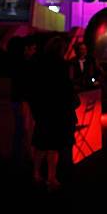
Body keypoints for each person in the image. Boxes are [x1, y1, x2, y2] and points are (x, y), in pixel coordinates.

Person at [28, 36, 79, 191]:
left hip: (43, 110)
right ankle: (51, 177)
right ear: (61, 50)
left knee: (41, 145)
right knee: (53, 146)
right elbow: (66, 88)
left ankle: (36, 173)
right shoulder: (63, 66)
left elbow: (34, 88)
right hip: (58, 110)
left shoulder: (38, 64)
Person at [8, 35, 37, 165]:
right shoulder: (25, 65)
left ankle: (18, 157)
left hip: (18, 99)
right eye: (33, 49)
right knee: (23, 129)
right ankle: (22, 157)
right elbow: (26, 85)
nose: (35, 51)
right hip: (23, 100)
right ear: (26, 49)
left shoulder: (15, 63)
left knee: (20, 129)